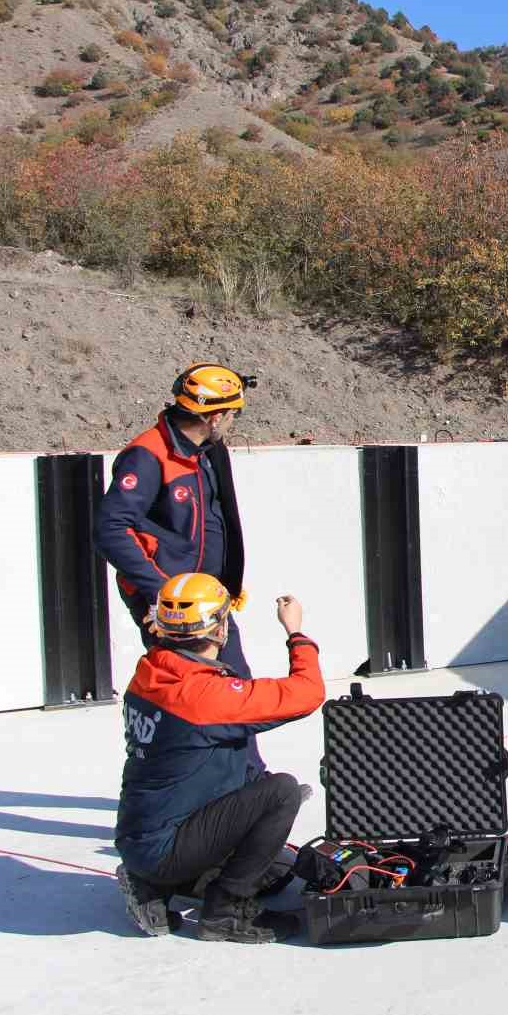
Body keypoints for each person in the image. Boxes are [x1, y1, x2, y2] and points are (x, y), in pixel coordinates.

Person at [114, 573, 325, 943]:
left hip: (142, 834)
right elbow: (307, 693)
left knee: (274, 872)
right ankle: (225, 913)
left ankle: (151, 886)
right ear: (219, 628)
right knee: (281, 793)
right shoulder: (204, 697)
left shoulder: (150, 672)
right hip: (167, 847)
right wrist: (296, 633)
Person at [97, 364, 255, 676]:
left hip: (208, 595)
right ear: (214, 417)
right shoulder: (148, 456)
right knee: (192, 690)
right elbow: (109, 529)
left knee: (235, 686)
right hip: (173, 604)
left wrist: (228, 580)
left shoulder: (208, 450)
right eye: (232, 414)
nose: (233, 421)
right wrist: (161, 593)